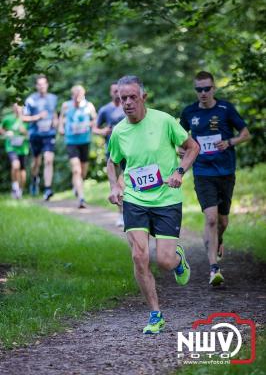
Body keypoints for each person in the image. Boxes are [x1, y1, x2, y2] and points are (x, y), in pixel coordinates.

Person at [107, 75, 199, 334]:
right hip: (135, 199)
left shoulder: (164, 121)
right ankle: (155, 314)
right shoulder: (119, 131)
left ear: (143, 97)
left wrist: (179, 172)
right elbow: (112, 161)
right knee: (139, 256)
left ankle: (177, 257)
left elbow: (192, 147)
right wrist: (115, 186)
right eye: (122, 98)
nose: (126, 103)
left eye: (132, 97)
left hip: (167, 199)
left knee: (165, 262)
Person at [180, 71, 250, 286]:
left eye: (206, 88)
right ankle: (213, 269)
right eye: (198, 89)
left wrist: (229, 142)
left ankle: (218, 239)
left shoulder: (225, 109)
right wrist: (181, 152)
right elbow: (178, 139)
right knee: (210, 218)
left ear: (214, 89)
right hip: (202, 172)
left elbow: (245, 133)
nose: (203, 93)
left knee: (222, 221)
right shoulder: (189, 112)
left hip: (225, 171)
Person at [93, 82, 126, 227]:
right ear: (110, 93)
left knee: (127, 180)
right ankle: (121, 214)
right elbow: (94, 128)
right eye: (114, 91)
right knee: (117, 183)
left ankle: (131, 212)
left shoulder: (128, 106)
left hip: (129, 149)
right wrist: (103, 132)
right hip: (112, 151)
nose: (116, 93)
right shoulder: (105, 109)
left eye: (118, 91)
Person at [59, 85, 97, 208]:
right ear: (72, 95)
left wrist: (89, 124)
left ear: (83, 95)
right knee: (76, 169)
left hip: (85, 141)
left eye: (80, 96)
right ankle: (81, 198)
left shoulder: (89, 106)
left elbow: (95, 120)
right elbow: (61, 119)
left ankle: (77, 186)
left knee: (83, 171)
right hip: (71, 141)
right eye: (75, 96)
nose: (77, 99)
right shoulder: (66, 105)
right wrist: (60, 128)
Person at [23, 74, 58, 200]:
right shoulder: (31, 99)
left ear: (47, 85)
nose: (42, 86)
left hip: (49, 134)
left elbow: (54, 113)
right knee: (36, 162)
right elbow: (23, 117)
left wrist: (55, 121)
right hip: (35, 135)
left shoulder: (53, 98)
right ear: (36, 86)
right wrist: (37, 117)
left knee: (48, 159)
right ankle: (34, 178)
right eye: (40, 84)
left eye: (44, 84)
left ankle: (48, 189)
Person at [0, 103, 29, 199]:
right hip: (11, 147)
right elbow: (1, 128)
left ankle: (20, 191)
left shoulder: (26, 119)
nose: (17, 109)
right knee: (15, 165)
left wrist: (24, 131)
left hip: (23, 148)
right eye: (16, 107)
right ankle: (15, 187)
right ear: (13, 108)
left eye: (20, 106)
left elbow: (30, 134)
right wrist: (6, 132)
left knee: (23, 172)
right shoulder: (8, 118)